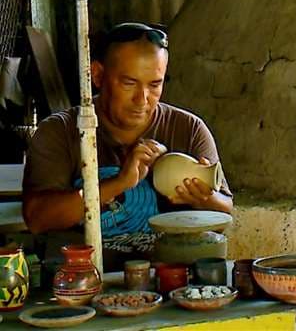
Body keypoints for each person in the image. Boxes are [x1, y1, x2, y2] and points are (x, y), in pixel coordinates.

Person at [22, 22, 233, 267]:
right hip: (82, 280)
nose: (142, 99)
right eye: (129, 83)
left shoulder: (188, 129)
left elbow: (225, 212)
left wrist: (202, 198)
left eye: (155, 85)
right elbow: (37, 218)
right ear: (98, 75)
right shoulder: (59, 132)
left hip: (168, 279)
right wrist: (119, 184)